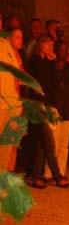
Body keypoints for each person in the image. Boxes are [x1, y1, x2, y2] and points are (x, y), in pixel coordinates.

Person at [25, 34, 69, 189]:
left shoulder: (48, 62)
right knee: (47, 141)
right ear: (41, 45)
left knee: (43, 142)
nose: (52, 48)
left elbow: (55, 84)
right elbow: (37, 83)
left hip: (47, 105)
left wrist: (52, 63)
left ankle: (38, 175)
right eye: (49, 45)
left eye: (52, 45)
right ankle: (55, 175)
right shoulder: (34, 61)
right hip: (38, 106)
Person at [45, 40, 69, 180]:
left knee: (64, 144)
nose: (64, 52)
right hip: (55, 106)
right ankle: (49, 172)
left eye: (66, 49)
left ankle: (61, 171)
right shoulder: (50, 65)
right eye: (61, 49)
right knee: (54, 142)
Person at [0, 28, 24, 171]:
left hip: (11, 102)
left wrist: (18, 101)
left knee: (8, 145)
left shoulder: (6, 45)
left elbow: (16, 75)